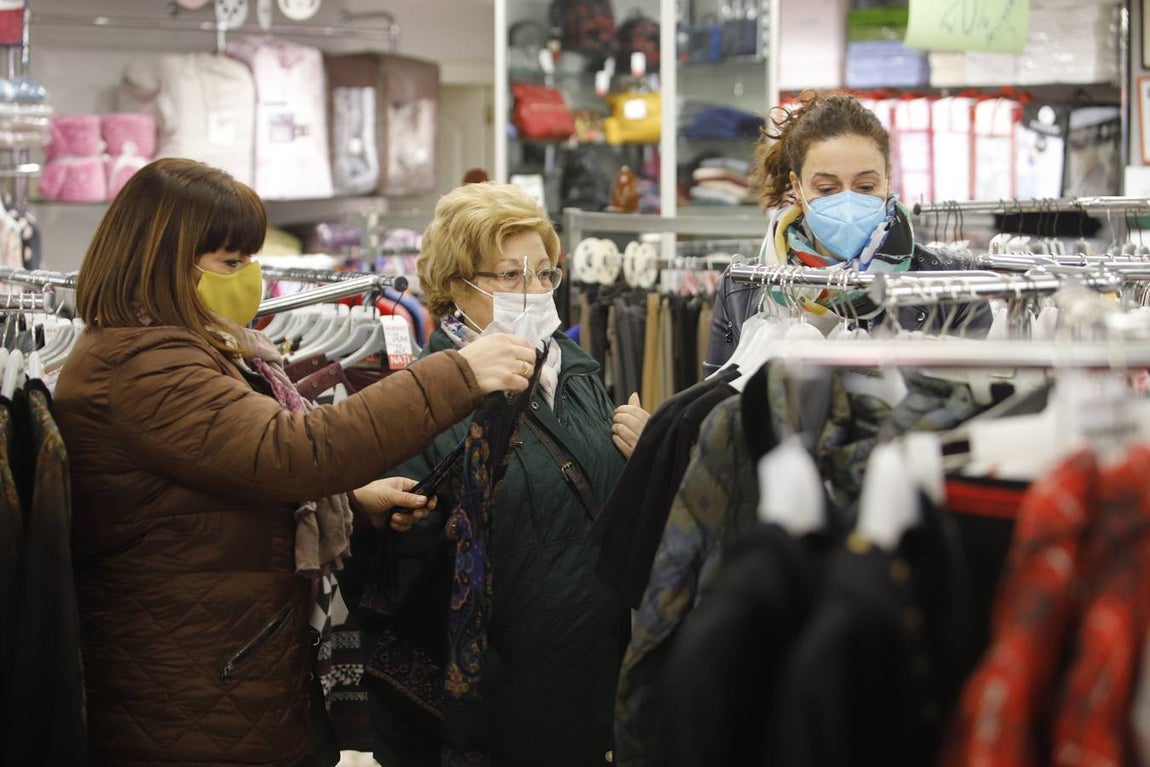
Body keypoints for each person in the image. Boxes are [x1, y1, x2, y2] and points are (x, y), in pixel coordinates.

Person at [51, 157, 539, 767]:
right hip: (190, 692)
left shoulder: (195, 353)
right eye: (231, 263)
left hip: (221, 670)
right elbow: (293, 452)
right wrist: (458, 374)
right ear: (163, 259)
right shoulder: (145, 369)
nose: (248, 279)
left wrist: (353, 505)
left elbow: (217, 498)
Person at [359, 181, 648, 767]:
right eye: (509, 275)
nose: (534, 291)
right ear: (455, 288)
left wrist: (650, 455)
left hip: (592, 683)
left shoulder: (577, 374)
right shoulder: (423, 396)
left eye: (544, 274)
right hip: (498, 701)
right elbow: (410, 550)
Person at [704, 91, 991, 374]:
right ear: (798, 187)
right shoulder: (742, 286)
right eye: (827, 189)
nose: (849, 203)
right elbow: (719, 405)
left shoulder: (954, 285)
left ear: (887, 180)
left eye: (866, 187)